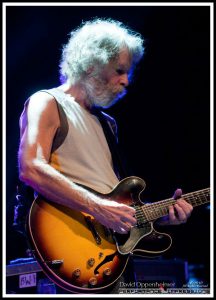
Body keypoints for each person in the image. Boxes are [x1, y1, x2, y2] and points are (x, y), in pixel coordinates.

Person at [18, 18, 193, 294]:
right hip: (72, 249)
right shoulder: (47, 102)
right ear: (91, 64)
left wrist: (159, 217)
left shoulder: (108, 123)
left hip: (111, 257)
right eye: (119, 70)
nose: (126, 81)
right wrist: (98, 208)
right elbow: (31, 168)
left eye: (128, 73)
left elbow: (114, 199)